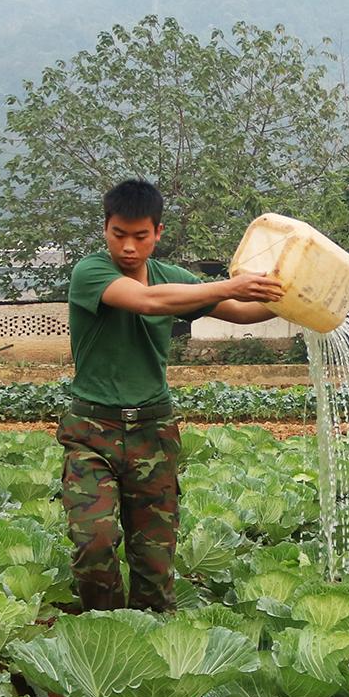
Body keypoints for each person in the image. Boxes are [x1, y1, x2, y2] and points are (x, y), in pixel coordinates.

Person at [61, 179, 284, 613]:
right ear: (104, 229)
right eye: (118, 234)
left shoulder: (174, 279)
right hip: (92, 433)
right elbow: (147, 302)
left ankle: (154, 649)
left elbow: (243, 312)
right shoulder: (91, 273)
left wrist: (295, 295)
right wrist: (227, 285)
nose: (128, 247)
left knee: (154, 561)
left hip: (153, 432)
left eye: (140, 236)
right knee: (95, 543)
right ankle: (101, 636)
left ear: (158, 233)